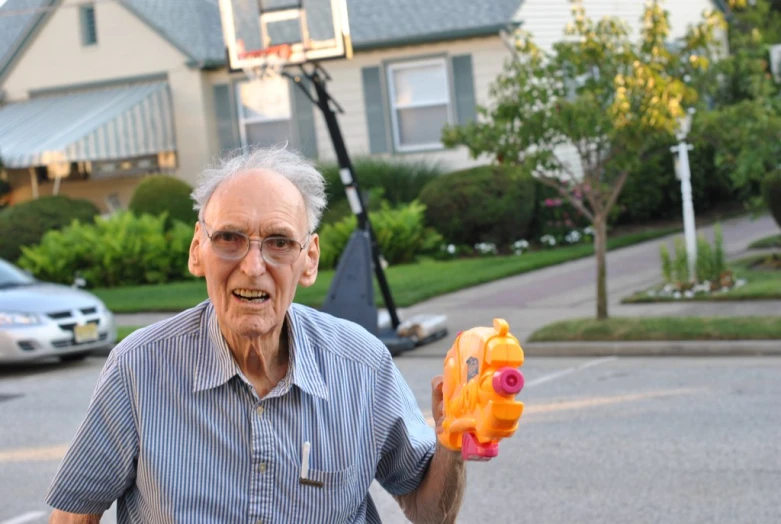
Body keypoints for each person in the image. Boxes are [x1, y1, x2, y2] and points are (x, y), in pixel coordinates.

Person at [45, 146, 466, 523]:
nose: (252, 266)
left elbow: (430, 513)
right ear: (197, 250)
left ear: (309, 260)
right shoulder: (138, 367)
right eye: (229, 238)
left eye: (279, 242)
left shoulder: (362, 365)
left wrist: (452, 439)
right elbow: (74, 516)